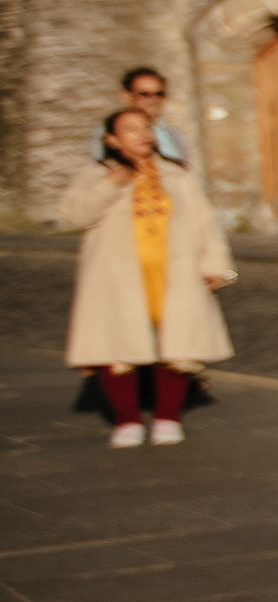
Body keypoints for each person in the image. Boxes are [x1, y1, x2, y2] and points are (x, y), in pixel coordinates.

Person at [55, 108, 233, 447]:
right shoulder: (97, 173)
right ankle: (127, 419)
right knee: (117, 346)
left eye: (146, 127)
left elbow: (205, 223)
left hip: (174, 273)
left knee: (179, 344)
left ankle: (168, 417)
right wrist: (113, 183)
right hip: (116, 277)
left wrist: (219, 267)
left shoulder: (178, 174)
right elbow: (73, 216)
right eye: (130, 129)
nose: (142, 135)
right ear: (112, 139)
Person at [89, 68, 188, 166]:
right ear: (127, 96)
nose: (153, 100)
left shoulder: (173, 133)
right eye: (145, 94)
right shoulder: (110, 132)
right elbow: (103, 169)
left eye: (158, 94)